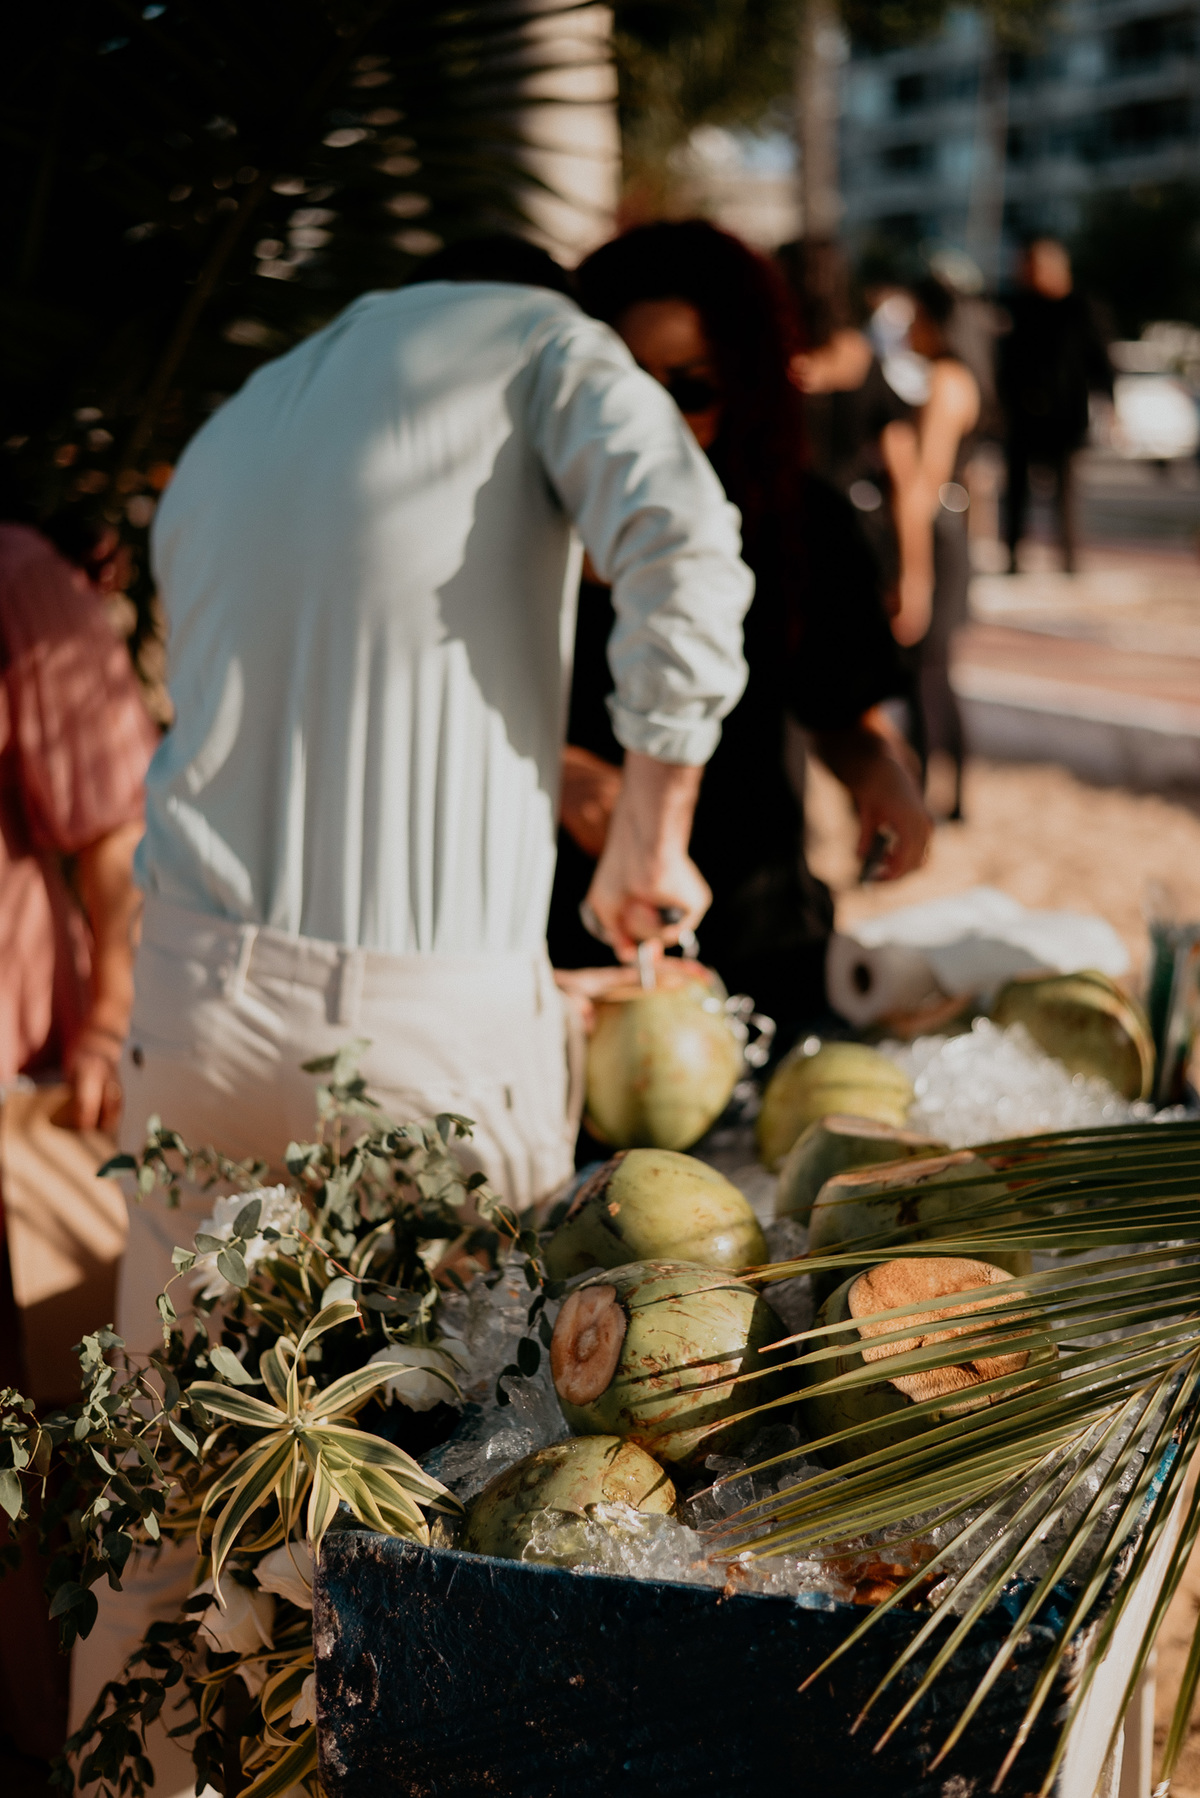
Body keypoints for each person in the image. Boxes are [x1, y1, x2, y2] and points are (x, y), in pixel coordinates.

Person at [547, 222, 931, 1042]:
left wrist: (881, 776)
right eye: (624, 388)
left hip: (762, 947)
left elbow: (841, 711)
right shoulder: (519, 534)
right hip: (564, 963)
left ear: (748, 386)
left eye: (692, 389)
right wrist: (557, 773)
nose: (651, 422)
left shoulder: (800, 521)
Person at [0, 510, 155, 1766]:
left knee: (29, 1483)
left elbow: (118, 831)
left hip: (15, 1102)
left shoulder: (15, 581)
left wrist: (110, 1020)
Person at [892, 277, 981, 822]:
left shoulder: (946, 380)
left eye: (913, 318)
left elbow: (926, 480)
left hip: (937, 534)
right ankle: (952, 798)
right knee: (937, 672)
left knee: (926, 672)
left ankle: (929, 794)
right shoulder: (956, 376)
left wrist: (913, 568)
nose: (906, 329)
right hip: (952, 528)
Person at [998, 238, 1112, 574]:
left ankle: (1069, 557)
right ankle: (1013, 554)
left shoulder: (1081, 307)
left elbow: (1100, 359)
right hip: (1022, 409)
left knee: (1066, 488)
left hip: (1065, 412)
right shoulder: (1017, 306)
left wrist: (1109, 402)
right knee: (1016, 487)